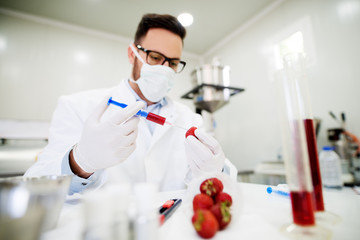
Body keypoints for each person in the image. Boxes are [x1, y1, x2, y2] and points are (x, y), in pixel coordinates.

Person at [25, 13, 237, 194]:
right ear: (132, 54)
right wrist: (80, 162)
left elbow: (222, 181)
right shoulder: (77, 106)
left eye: (172, 63)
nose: (164, 69)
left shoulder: (189, 118)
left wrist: (216, 173)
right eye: (155, 57)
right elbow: (34, 184)